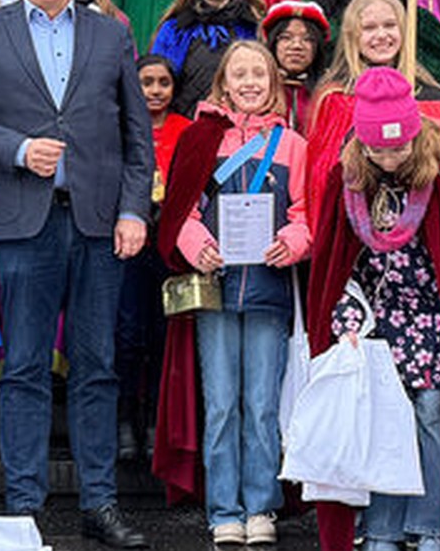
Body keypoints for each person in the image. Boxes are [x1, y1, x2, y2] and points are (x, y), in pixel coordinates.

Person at [0, 0, 153, 548]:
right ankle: (23, 507)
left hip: (96, 221)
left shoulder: (111, 36)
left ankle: (100, 503)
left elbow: (136, 137)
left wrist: (134, 211)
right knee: (25, 367)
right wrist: (14, 147)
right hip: (22, 220)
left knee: (97, 367)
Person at [308, 67, 440, 551]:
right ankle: (382, 530)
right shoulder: (350, 182)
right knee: (381, 427)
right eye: (379, 149)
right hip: (379, 327)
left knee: (435, 418)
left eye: (398, 148)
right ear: (362, 142)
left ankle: (434, 526)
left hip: (438, 321)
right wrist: (347, 324)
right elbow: (338, 265)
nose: (390, 157)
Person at [154, 40, 310, 546]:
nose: (249, 83)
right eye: (239, 74)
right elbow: (181, 212)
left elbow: (306, 214)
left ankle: (261, 505)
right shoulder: (201, 139)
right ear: (223, 82)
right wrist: (197, 245)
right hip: (216, 292)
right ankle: (224, 508)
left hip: (268, 292)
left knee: (262, 405)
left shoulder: (293, 145)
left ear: (273, 83)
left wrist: (293, 241)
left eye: (258, 74)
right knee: (221, 404)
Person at [306, 0, 440, 232]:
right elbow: (324, 181)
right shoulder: (335, 98)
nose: (381, 35)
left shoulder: (433, 97)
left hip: (425, 228)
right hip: (360, 232)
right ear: (353, 35)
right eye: (369, 28)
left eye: (390, 25)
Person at [115, 55, 192, 463]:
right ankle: (126, 416)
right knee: (128, 334)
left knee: (164, 337)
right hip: (129, 246)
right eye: (147, 82)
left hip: (171, 247)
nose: (156, 90)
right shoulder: (122, 128)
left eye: (164, 83)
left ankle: (155, 424)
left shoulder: (185, 130)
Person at [150, 0, 264, 117]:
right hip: (185, 132)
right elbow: (155, 85)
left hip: (243, 136)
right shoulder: (174, 29)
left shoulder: (254, 28)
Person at [260, 0, 329, 133]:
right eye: (286, 38)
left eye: (307, 39)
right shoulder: (257, 89)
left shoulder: (328, 92)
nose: (296, 46)